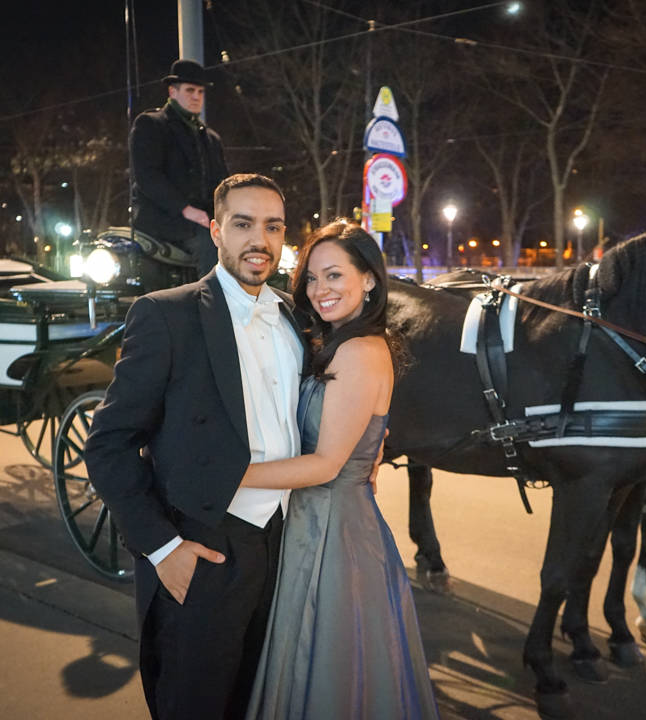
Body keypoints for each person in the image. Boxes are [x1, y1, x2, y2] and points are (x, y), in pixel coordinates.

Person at [84, 173, 301, 720]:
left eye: (272, 226)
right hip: (201, 544)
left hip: (283, 541)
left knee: (258, 699)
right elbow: (108, 444)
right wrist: (162, 548)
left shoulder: (294, 318)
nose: (260, 239)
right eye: (244, 224)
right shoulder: (168, 313)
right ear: (216, 230)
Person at [243, 221, 439, 719]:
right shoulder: (340, 342)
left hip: (333, 533)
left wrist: (229, 475)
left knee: (326, 666)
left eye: (334, 276)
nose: (319, 290)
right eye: (310, 278)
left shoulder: (357, 351)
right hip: (321, 522)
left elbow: (326, 464)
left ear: (369, 279)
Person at [129, 58, 229, 276]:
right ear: (172, 92)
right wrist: (186, 209)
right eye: (190, 90)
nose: (196, 97)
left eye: (201, 92)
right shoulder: (151, 124)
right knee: (210, 242)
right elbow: (148, 176)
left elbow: (223, 185)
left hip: (202, 218)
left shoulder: (210, 138)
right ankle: (212, 305)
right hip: (163, 217)